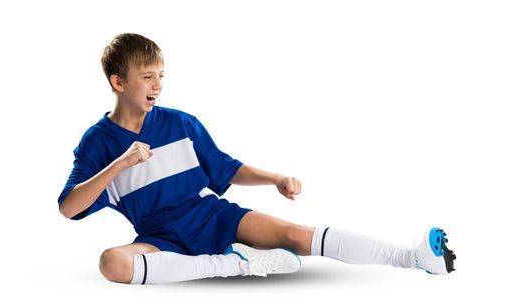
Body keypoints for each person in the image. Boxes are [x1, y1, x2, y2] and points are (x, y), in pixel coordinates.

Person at [58, 33, 456, 285]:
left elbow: (226, 168)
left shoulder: (181, 123)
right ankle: (231, 264)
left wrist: (276, 178)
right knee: (112, 263)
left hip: (210, 216)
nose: (158, 85)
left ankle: (412, 257)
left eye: (162, 75)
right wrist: (120, 164)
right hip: (159, 236)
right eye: (148, 76)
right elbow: (68, 207)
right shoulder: (97, 142)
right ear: (119, 82)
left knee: (295, 234)